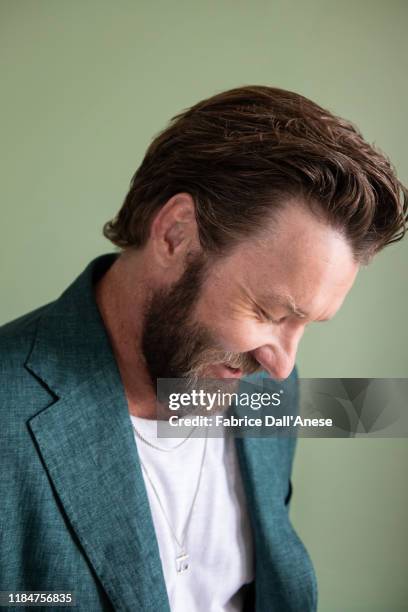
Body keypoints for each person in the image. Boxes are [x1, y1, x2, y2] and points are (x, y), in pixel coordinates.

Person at [0, 85, 406, 612]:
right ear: (176, 234)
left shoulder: (264, 389)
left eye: (307, 325)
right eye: (268, 312)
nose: (281, 368)